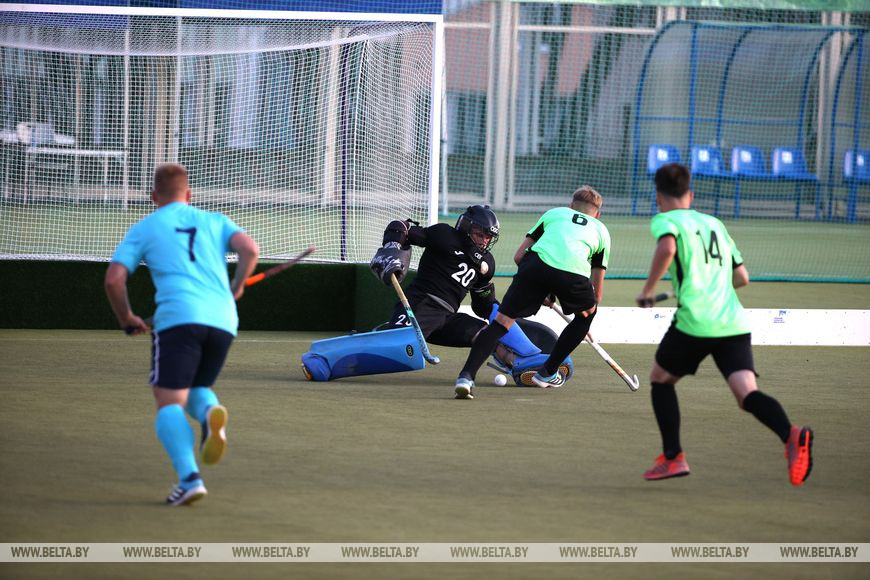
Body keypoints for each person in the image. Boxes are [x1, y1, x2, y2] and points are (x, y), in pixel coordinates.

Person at [636, 162, 812, 486]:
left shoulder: (666, 220)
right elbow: (741, 277)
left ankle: (673, 457)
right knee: (747, 395)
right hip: (733, 323)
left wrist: (648, 290)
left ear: (658, 197)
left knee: (660, 380)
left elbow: (668, 247)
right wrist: (710, 284)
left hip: (695, 322)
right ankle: (791, 434)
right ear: (690, 194)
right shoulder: (715, 223)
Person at [104, 163, 259, 505]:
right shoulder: (215, 220)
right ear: (189, 195)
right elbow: (250, 249)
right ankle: (209, 413)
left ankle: (190, 480)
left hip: (178, 320)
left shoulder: (146, 227)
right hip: (223, 321)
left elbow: (114, 279)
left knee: (168, 401)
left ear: (153, 196)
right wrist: (236, 287)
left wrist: (127, 317)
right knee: (196, 388)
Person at [452, 186, 611, 399]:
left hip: (534, 265)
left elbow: (519, 256)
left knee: (501, 324)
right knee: (587, 314)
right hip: (573, 275)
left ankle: (466, 377)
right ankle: (547, 373)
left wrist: (543, 289)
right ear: (597, 214)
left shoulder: (554, 213)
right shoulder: (601, 230)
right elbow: (596, 294)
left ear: (571, 205)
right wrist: (582, 325)